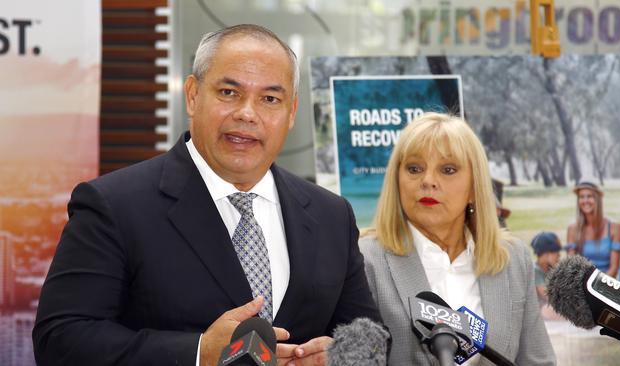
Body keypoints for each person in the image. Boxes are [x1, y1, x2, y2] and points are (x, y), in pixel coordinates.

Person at [33, 24, 380, 366]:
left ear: (291, 113)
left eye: (270, 99)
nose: (247, 113)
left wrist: (340, 357)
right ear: (193, 95)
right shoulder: (114, 205)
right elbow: (61, 339)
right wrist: (199, 353)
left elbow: (369, 335)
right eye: (229, 93)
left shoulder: (331, 214)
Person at [359, 113, 555, 365]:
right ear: (397, 180)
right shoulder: (365, 259)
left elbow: (537, 360)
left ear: (475, 186)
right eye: (414, 168)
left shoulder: (512, 259)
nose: (428, 181)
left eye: (448, 169)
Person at [566, 181, 620, 278]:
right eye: (582, 197)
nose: (585, 200)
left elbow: (614, 268)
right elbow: (572, 266)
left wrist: (598, 287)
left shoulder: (615, 228)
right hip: (581, 283)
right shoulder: (573, 229)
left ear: (598, 199)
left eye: (589, 196)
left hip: (608, 283)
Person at [531, 232, 562, 305]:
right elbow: (548, 297)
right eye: (556, 251)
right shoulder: (535, 270)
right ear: (546, 254)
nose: (559, 255)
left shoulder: (550, 269)